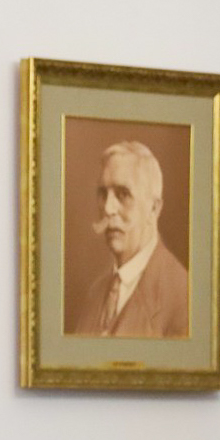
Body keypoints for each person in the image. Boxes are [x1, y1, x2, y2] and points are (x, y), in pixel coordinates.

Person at [67, 141, 189, 338]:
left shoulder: (184, 297)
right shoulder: (95, 293)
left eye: (123, 194)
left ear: (153, 209)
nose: (108, 208)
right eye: (103, 194)